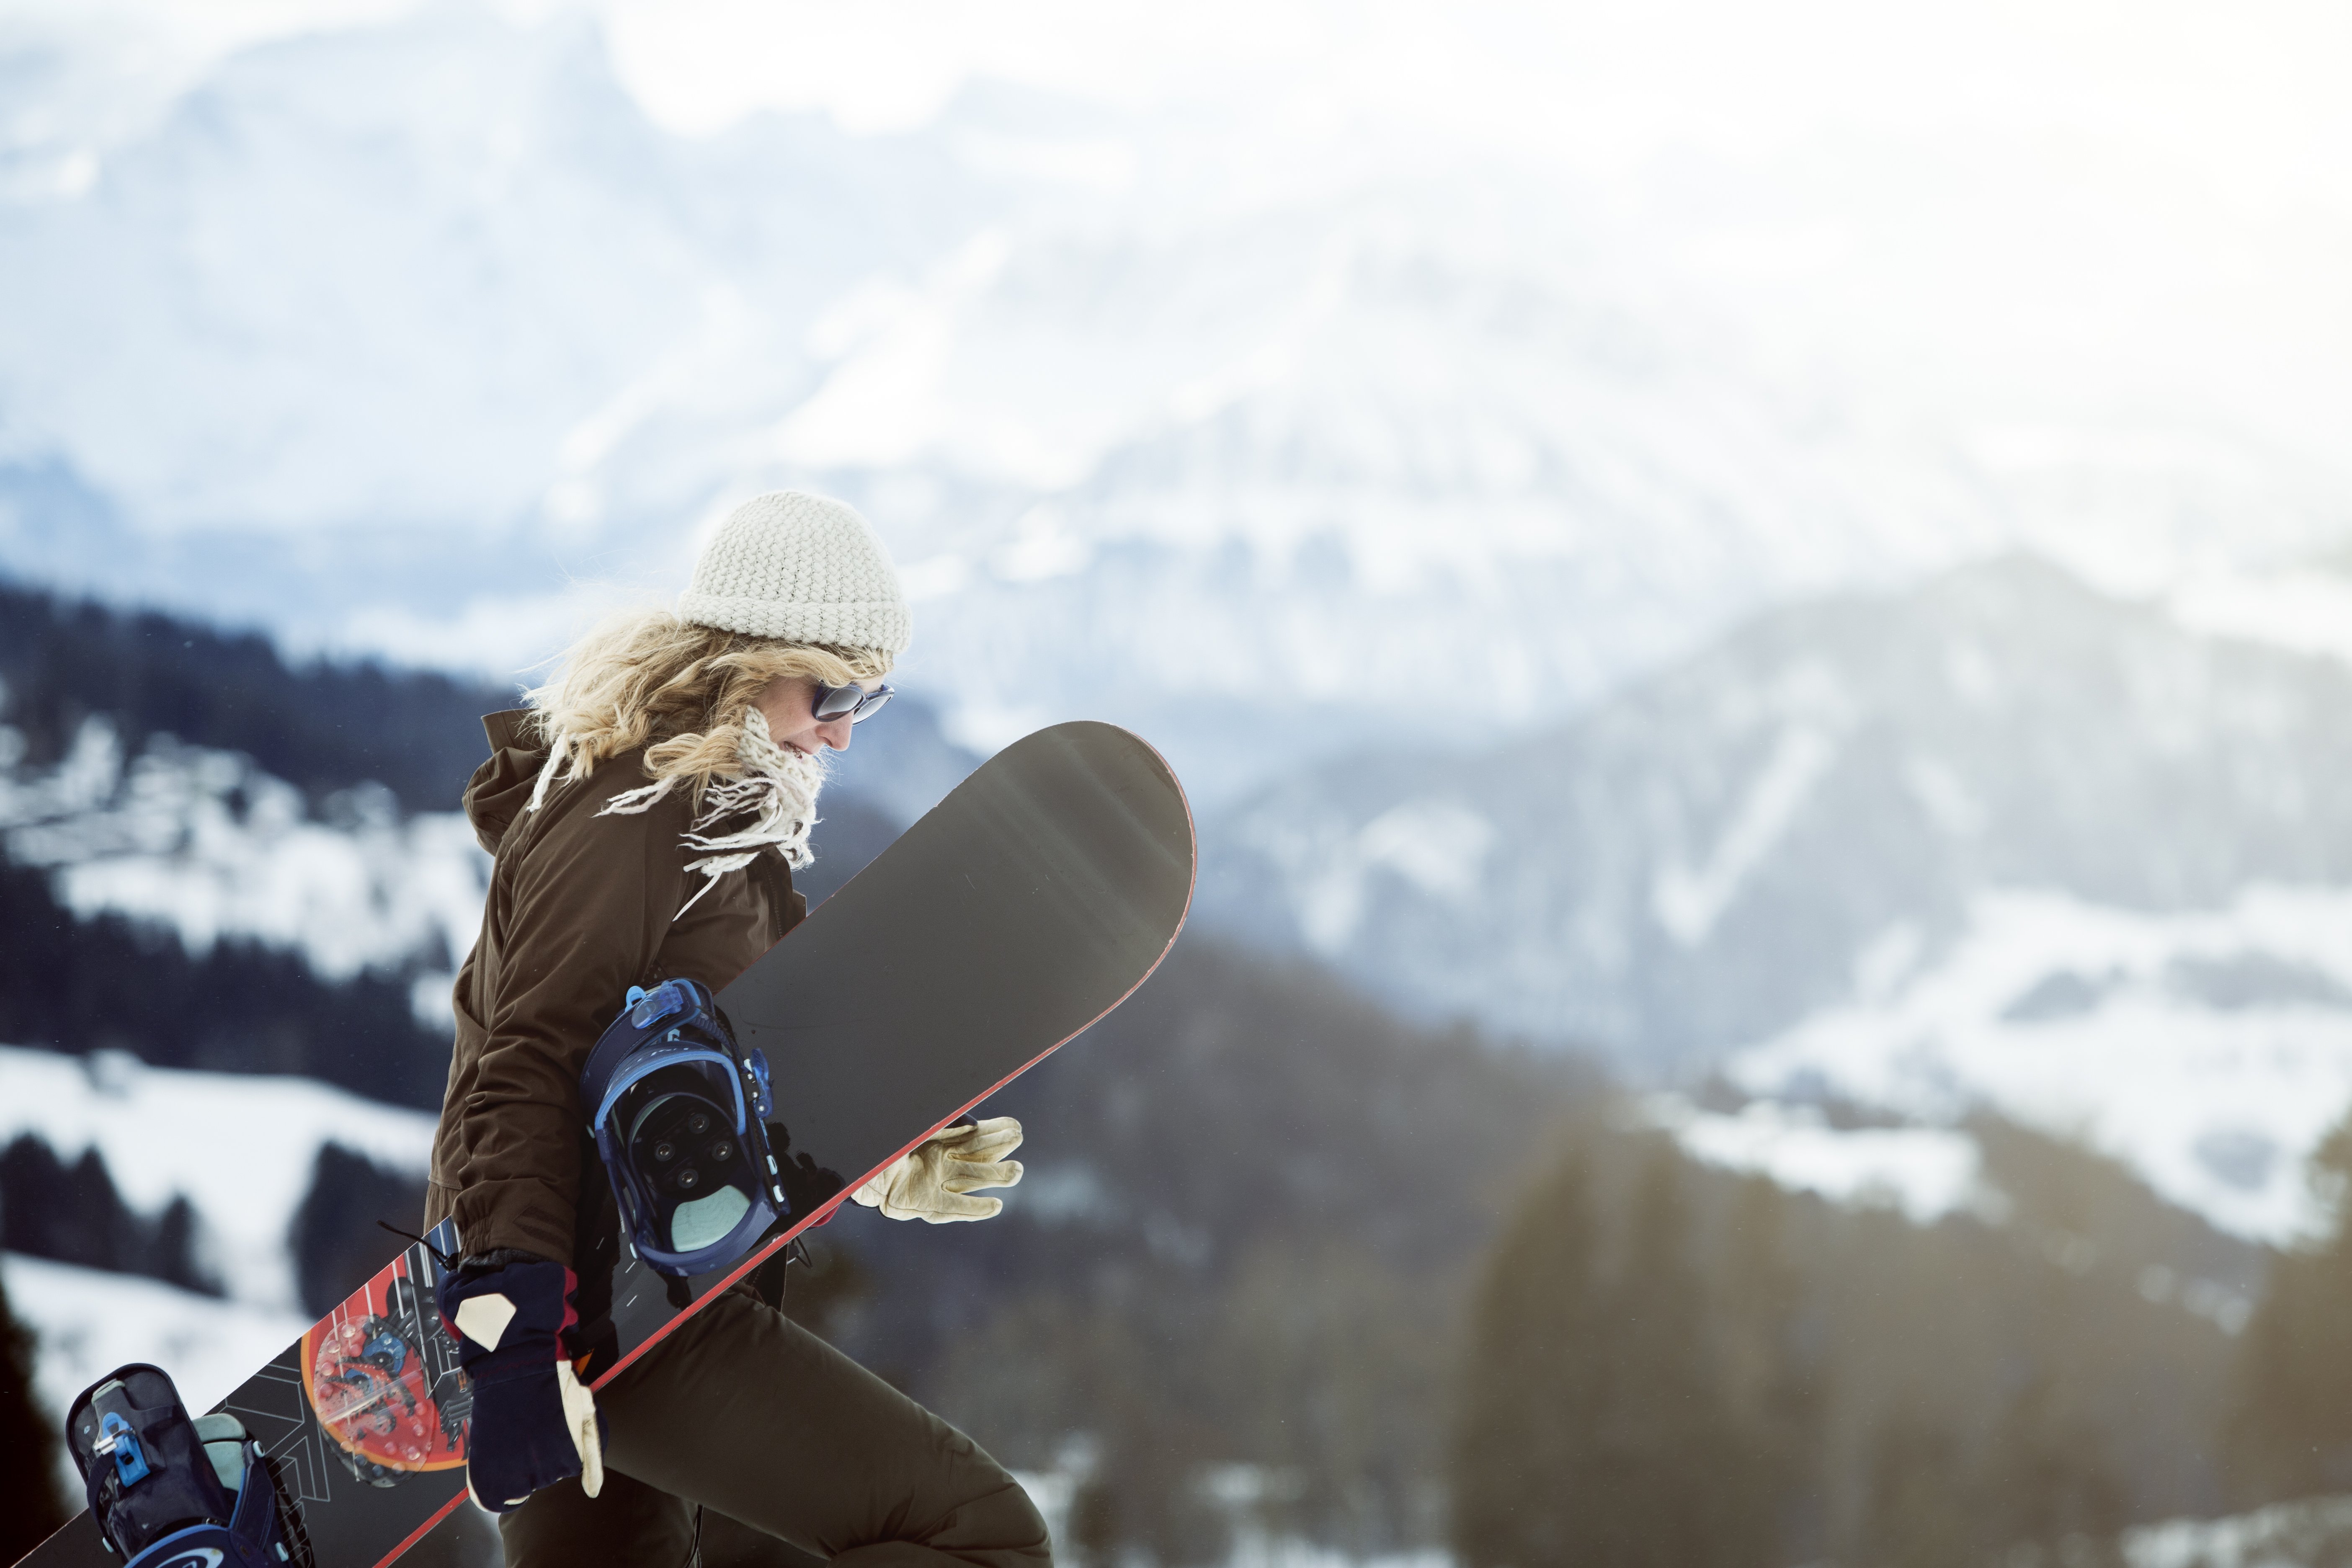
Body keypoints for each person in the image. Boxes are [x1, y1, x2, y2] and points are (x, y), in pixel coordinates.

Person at [423, 491, 1046, 1568]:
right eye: (834, 690)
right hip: (607, 1305)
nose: (844, 729)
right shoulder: (630, 814)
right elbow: (522, 1067)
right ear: (750, 659)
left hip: (634, 1293)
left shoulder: (729, 825)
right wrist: (515, 1337)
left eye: (873, 697)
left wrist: (888, 1162)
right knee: (979, 1533)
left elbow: (767, 1057)